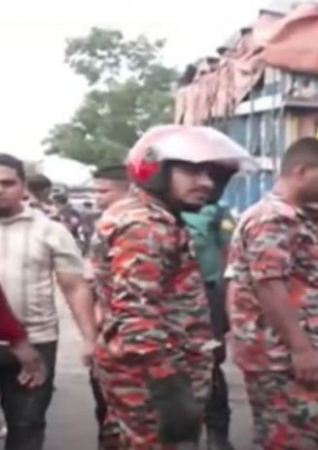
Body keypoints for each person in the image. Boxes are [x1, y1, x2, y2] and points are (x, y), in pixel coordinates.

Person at [90, 125, 252, 449]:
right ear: (155, 169)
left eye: (210, 174)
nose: (205, 182)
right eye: (191, 171)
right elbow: (136, 316)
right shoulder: (144, 226)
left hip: (149, 370)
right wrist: (168, 387)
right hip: (150, 376)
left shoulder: (154, 218)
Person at [225, 137, 318, 449]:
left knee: (302, 434)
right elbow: (269, 285)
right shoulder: (273, 219)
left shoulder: (305, 220)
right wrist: (301, 349)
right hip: (281, 357)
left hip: (305, 349)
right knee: (285, 438)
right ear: (301, 171)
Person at [0, 153, 96, 450]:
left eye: (7, 183)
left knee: (26, 426)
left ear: (24, 186)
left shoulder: (50, 231)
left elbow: (74, 286)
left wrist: (90, 338)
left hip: (36, 341)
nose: (0, 190)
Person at [182, 202, 235, 450]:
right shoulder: (153, 210)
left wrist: (226, 303)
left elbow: (229, 252)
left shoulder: (214, 212)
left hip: (206, 294)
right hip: (164, 298)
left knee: (210, 362)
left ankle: (217, 433)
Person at [85, 164, 130, 447]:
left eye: (104, 191)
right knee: (107, 408)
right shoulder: (104, 223)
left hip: (129, 336)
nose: (97, 197)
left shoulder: (133, 226)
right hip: (109, 328)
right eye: (95, 190)